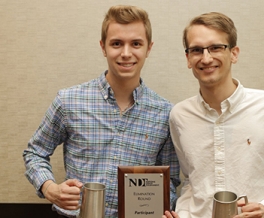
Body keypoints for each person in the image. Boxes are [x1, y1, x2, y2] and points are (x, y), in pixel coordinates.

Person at [23, 5, 180, 218]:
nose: (126, 53)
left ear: (148, 48)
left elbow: (170, 179)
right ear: (103, 47)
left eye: (136, 44)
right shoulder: (69, 101)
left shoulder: (164, 113)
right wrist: (50, 188)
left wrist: (161, 206)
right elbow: (35, 152)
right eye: (116, 43)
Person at [163, 12, 264, 218]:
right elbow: (191, 181)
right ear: (188, 58)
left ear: (234, 53)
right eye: (196, 50)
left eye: (215, 48)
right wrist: (183, 213)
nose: (206, 58)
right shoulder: (180, 115)